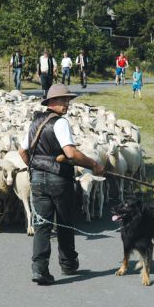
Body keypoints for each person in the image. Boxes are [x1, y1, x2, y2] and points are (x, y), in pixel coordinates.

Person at [18, 84, 105, 285]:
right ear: (52, 102)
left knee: (41, 225)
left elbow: (23, 152)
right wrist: (94, 164)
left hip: (38, 180)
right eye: (64, 100)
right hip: (59, 180)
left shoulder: (35, 122)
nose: (67, 104)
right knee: (65, 222)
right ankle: (67, 264)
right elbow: (71, 153)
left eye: (68, 100)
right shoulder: (60, 123)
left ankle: (39, 269)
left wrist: (34, 167)